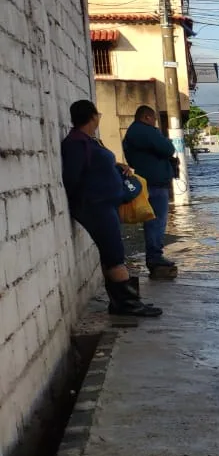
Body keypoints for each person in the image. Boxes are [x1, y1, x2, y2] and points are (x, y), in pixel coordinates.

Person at [61, 100, 162, 318]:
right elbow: (73, 177)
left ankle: (120, 303)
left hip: (105, 204)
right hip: (96, 206)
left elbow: (97, 166)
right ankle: (129, 305)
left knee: (111, 254)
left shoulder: (90, 141)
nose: (99, 118)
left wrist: (119, 167)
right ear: (92, 117)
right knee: (115, 254)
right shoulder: (76, 143)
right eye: (97, 115)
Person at [122, 105, 177, 275]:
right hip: (155, 183)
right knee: (157, 221)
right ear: (146, 118)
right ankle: (155, 255)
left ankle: (154, 256)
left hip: (145, 181)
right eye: (153, 119)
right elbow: (168, 149)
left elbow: (131, 160)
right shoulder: (145, 131)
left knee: (151, 221)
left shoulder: (131, 134)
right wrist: (165, 141)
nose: (155, 123)